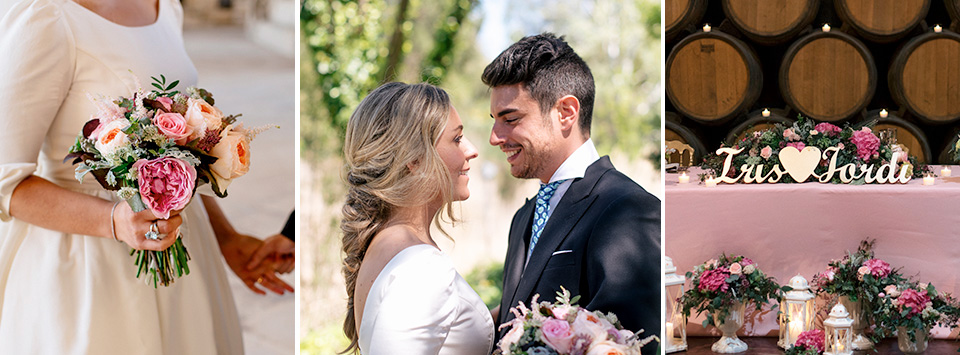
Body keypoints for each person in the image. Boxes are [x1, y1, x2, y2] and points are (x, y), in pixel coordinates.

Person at [0, 0, 290, 352]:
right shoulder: (44, 16)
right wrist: (115, 221)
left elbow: (180, 156)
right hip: (89, 271)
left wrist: (226, 237)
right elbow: (7, 182)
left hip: (184, 252)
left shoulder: (166, 8)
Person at [482, 33, 661, 354]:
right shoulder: (523, 217)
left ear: (566, 111)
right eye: (495, 121)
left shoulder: (630, 210)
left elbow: (635, 340)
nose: (496, 137)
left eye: (510, 119)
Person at [339, 82, 493, 354]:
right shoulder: (420, 267)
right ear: (414, 157)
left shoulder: (383, 243)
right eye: (457, 139)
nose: (471, 150)